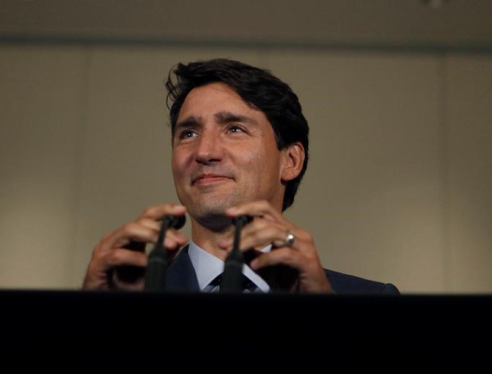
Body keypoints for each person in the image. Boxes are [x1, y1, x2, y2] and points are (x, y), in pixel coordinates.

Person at [82, 59, 398, 294]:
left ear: (290, 160)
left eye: (234, 129)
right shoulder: (120, 292)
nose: (204, 152)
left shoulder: (369, 300)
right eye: (188, 133)